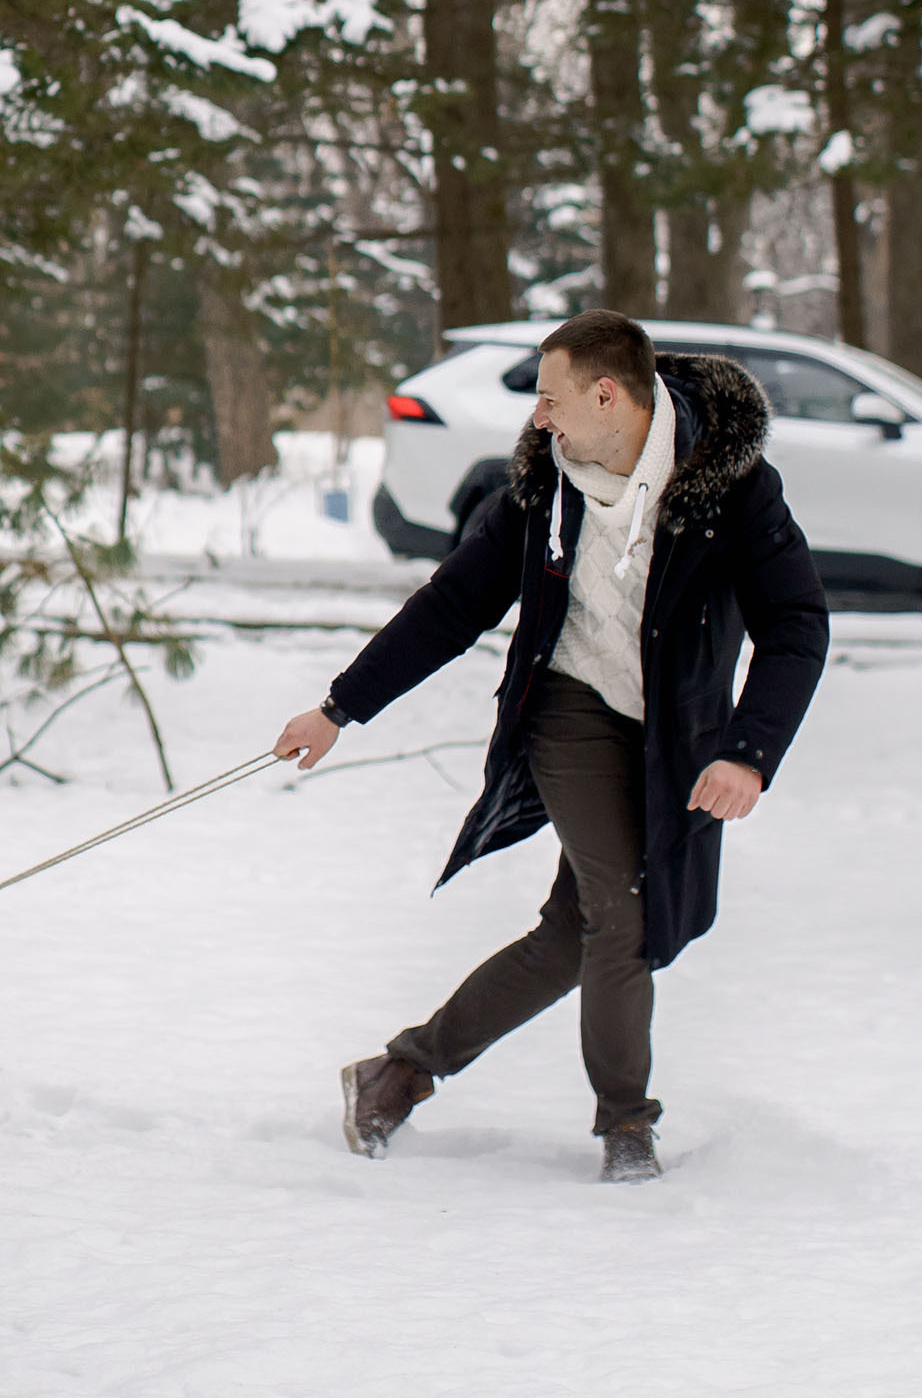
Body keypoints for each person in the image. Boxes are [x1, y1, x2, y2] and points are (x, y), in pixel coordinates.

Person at [274, 312, 828, 1181]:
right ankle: (626, 1126)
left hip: (674, 733)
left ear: (607, 396)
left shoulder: (732, 485)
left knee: (575, 934)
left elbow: (795, 624)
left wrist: (749, 751)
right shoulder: (544, 487)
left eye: (550, 397)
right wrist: (341, 707)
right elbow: (453, 605)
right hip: (569, 709)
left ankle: (399, 1072)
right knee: (623, 913)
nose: (538, 417)